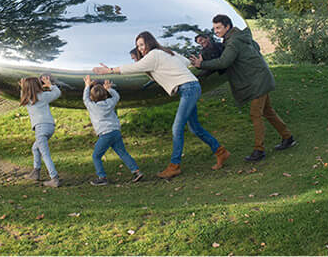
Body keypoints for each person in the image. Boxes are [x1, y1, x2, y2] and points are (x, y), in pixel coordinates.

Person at [94, 31, 229, 179]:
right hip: (189, 87)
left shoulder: (154, 55)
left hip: (188, 88)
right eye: (137, 46)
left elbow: (136, 67)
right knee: (195, 128)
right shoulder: (165, 52)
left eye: (142, 45)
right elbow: (185, 61)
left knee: (176, 128)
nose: (140, 48)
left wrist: (109, 70)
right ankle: (221, 152)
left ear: (149, 43)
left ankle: (174, 166)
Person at [190, 14, 295, 162]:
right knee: (267, 111)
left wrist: (202, 65)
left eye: (219, 27)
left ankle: (259, 150)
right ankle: (287, 137)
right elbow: (256, 47)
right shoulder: (239, 36)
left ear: (227, 26)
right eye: (214, 28)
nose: (216, 31)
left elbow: (224, 62)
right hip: (260, 77)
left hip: (257, 80)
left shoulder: (233, 42)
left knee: (255, 114)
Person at [82, 75, 143, 185]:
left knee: (96, 156)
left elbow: (85, 99)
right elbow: (116, 96)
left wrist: (87, 86)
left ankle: (102, 177)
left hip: (105, 134)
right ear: (106, 95)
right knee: (123, 153)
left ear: (92, 97)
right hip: (115, 132)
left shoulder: (92, 106)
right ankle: (136, 171)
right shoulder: (110, 103)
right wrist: (109, 88)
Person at [19, 75, 62, 187]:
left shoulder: (28, 99)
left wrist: (23, 87)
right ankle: (35, 172)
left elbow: (22, 95)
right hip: (50, 126)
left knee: (45, 154)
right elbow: (57, 93)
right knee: (35, 148)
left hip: (40, 128)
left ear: (26, 89)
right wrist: (50, 85)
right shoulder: (44, 96)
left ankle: (54, 178)